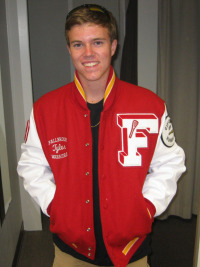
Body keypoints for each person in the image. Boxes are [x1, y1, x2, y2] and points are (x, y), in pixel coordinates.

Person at [17, 4, 186, 267]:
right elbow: (31, 166)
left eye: (97, 42)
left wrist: (148, 207)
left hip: (132, 250)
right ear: (69, 49)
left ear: (114, 46)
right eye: (77, 44)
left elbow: (170, 163)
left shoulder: (150, 106)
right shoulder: (45, 109)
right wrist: (55, 206)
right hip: (70, 251)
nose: (88, 53)